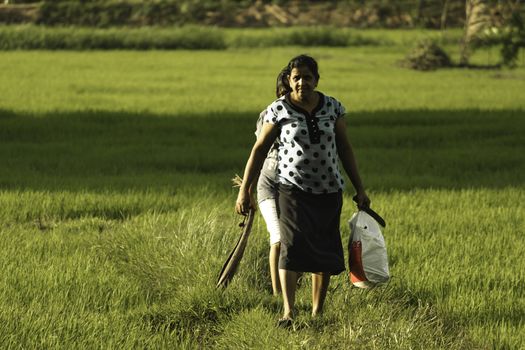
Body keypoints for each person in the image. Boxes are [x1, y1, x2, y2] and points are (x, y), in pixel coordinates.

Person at [236, 54, 370, 327]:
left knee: (323, 251)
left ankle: (317, 312)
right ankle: (288, 311)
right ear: (289, 80)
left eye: (307, 77)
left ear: (316, 80)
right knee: (291, 246)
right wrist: (244, 190)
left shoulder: (332, 107)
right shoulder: (279, 110)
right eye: (296, 77)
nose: (301, 82)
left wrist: (360, 188)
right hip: (292, 189)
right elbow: (259, 150)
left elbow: (345, 148)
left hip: (329, 190)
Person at [254, 66, 291, 296]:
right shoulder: (269, 113)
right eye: (283, 91)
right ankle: (277, 294)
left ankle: (289, 286)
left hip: (293, 186)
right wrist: (246, 189)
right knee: (277, 238)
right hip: (267, 184)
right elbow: (258, 151)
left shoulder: (308, 115)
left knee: (293, 240)